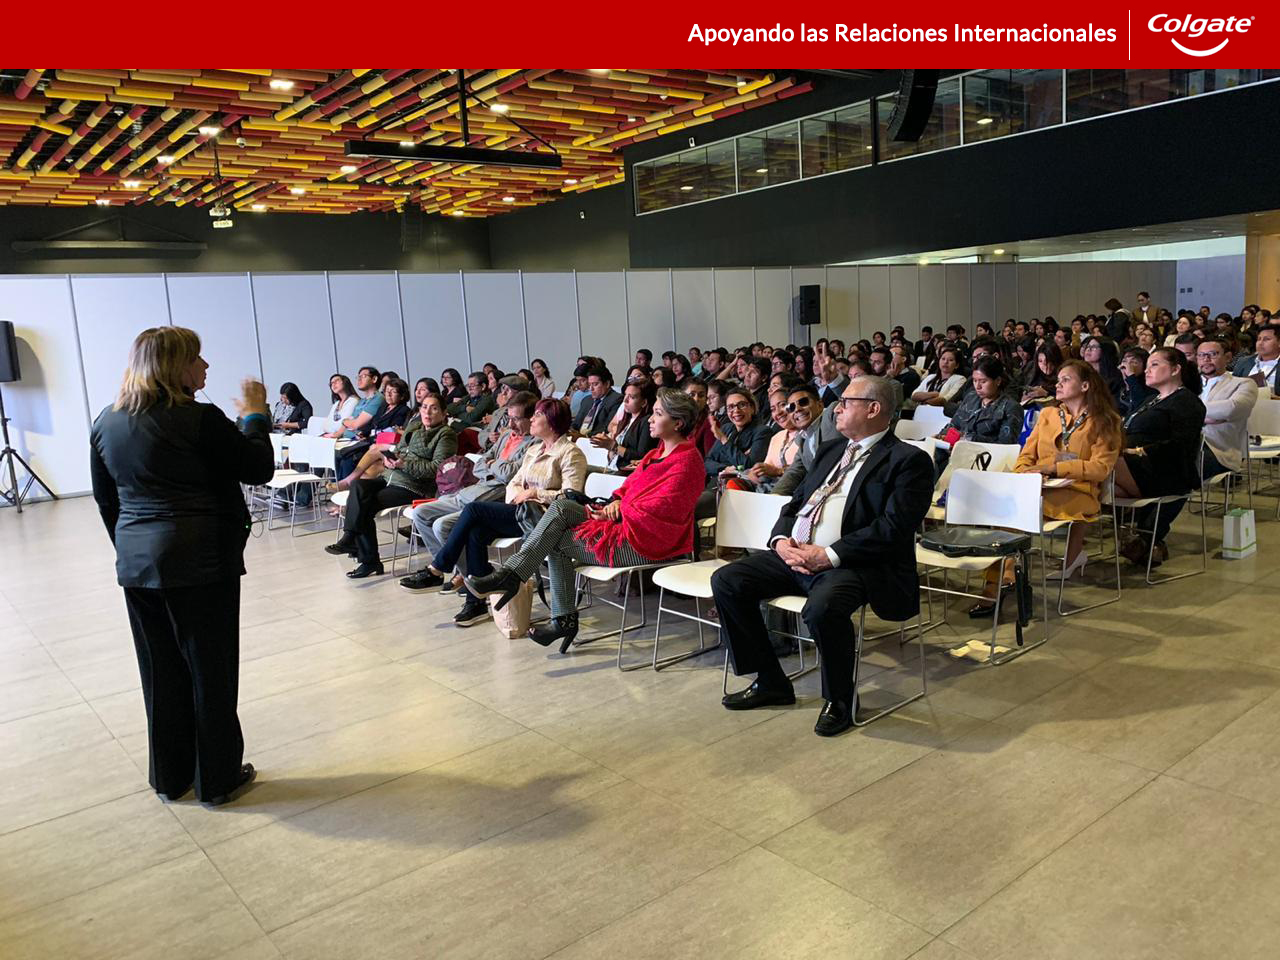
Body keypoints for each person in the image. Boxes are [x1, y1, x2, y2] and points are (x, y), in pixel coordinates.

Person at [89, 326, 272, 807]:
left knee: (160, 671)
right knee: (209, 671)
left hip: (137, 563)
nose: (206, 367)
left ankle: (171, 777)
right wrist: (255, 416)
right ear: (176, 366)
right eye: (198, 358)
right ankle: (217, 778)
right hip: (200, 562)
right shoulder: (199, 418)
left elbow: (107, 501)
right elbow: (257, 467)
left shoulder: (107, 421)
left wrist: (132, 547)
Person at [710, 375, 933, 736]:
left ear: (873, 409)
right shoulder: (831, 450)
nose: (837, 408)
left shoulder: (908, 460)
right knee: (728, 580)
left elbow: (893, 528)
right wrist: (780, 539)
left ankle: (840, 700)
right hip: (796, 554)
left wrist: (828, 555)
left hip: (854, 564)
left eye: (845, 401)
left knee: (823, 607)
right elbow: (795, 503)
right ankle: (771, 681)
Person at [464, 388, 707, 650]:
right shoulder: (654, 454)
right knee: (562, 507)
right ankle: (519, 581)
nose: (650, 418)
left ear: (678, 423)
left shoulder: (688, 462)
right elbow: (626, 490)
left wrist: (622, 509)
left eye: (658, 414)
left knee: (553, 539)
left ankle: (552, 609)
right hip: (623, 526)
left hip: (648, 542)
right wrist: (615, 502)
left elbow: (666, 508)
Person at [419, 398, 586, 626]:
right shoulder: (535, 450)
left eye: (538, 415)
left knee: (474, 509)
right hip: (521, 511)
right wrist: (520, 495)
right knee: (475, 532)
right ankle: (475, 602)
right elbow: (513, 483)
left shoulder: (570, 453)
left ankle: (439, 567)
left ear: (553, 422)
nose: (533, 419)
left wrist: (535, 493)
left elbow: (572, 495)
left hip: (546, 518)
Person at [971, 360, 1121, 611]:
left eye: (1066, 380)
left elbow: (1100, 468)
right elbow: (1026, 455)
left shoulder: (1106, 420)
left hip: (1079, 491)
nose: (1058, 384)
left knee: (1011, 509)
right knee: (1003, 505)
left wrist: (1053, 467)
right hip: (1039, 487)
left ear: (1085, 385)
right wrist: (1026, 474)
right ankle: (1003, 576)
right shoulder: (1050, 414)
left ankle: (998, 582)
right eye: (1058, 379)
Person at [400, 392, 540, 594]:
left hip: (495, 498)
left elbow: (511, 474)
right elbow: (479, 464)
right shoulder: (506, 437)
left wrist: (494, 466)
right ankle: (461, 572)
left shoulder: (534, 444)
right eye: (509, 418)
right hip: (472, 491)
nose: (511, 424)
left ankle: (458, 575)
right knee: (421, 513)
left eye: (517, 419)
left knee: (441, 526)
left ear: (532, 418)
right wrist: (495, 467)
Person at [326, 394, 457, 578]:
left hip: (414, 487)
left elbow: (437, 469)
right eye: (424, 407)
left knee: (365, 505)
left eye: (434, 408)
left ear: (443, 413)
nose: (427, 412)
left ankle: (366, 558)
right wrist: (390, 460)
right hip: (391, 476)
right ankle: (350, 538)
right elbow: (400, 450)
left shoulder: (446, 435)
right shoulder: (414, 427)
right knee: (359, 487)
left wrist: (404, 464)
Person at [1113, 348, 1208, 566]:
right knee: (1093, 481)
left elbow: (1179, 447)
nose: (1146, 370)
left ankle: (1145, 539)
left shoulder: (1187, 402)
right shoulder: (1153, 399)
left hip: (1163, 473)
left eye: (1154, 364)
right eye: (1147, 365)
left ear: (1176, 369)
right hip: (1134, 468)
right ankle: (1146, 541)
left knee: (1099, 463)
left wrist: (1136, 451)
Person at [333, 377, 412, 482]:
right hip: (370, 440)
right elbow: (373, 423)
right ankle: (340, 486)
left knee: (349, 458)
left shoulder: (403, 410)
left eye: (393, 391)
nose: (388, 394)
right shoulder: (384, 407)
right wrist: (363, 433)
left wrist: (370, 437)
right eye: (387, 391)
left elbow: (390, 430)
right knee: (342, 456)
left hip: (382, 444)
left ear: (402, 396)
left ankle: (347, 487)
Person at [942, 355, 1023, 445]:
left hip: (987, 456)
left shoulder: (1011, 407)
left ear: (998, 381)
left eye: (983, 381)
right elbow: (954, 425)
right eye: (975, 381)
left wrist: (969, 438)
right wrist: (941, 435)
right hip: (958, 451)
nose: (977, 386)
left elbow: (1005, 444)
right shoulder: (971, 397)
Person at [704, 386, 773, 481]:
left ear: (752, 408)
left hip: (742, 484)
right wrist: (725, 468)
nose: (736, 410)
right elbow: (707, 461)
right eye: (731, 407)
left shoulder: (762, 432)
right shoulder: (726, 428)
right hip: (718, 480)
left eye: (742, 405)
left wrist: (724, 440)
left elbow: (750, 466)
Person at [592, 379, 658, 471]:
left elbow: (641, 457)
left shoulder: (647, 422)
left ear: (644, 402)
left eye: (631, 397)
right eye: (625, 395)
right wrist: (609, 445)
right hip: (612, 468)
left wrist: (613, 446)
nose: (625, 400)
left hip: (626, 474)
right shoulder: (626, 419)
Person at [326, 366, 384, 439]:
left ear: (374, 379)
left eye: (363, 376)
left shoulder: (377, 398)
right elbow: (350, 420)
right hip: (345, 438)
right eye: (358, 377)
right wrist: (335, 435)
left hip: (357, 441)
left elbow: (356, 424)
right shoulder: (362, 401)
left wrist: (345, 422)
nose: (359, 379)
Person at [910, 345, 965, 409]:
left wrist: (924, 401)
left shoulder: (960, 379)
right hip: (922, 412)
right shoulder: (930, 377)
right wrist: (934, 394)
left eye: (950, 360)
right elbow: (914, 396)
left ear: (957, 365)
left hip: (941, 414)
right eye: (943, 359)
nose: (945, 362)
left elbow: (945, 399)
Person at [1232, 323, 1280, 394]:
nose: (1260, 343)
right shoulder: (1244, 362)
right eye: (1259, 339)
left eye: (1266, 339)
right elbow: (1232, 387)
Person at [573, 365, 623, 434]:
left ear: (607, 384)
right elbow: (576, 424)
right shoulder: (586, 400)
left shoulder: (616, 400)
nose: (591, 389)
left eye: (595, 384)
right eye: (590, 384)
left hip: (596, 440)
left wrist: (583, 437)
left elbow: (607, 428)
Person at [1080, 337, 1125, 407]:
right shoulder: (1080, 372)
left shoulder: (1116, 376)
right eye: (1088, 346)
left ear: (1105, 350)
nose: (1089, 349)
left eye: (1094, 347)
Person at [1020, 341, 1062, 406]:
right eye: (1040, 361)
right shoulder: (1031, 370)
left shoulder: (1064, 374)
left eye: (1049, 360)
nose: (1045, 365)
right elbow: (1015, 387)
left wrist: (1047, 393)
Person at [1118, 347, 1155, 415]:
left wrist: (1131, 377)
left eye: (1134, 362)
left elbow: (1140, 407)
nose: (1127, 365)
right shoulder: (1116, 386)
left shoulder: (1150, 389)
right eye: (1124, 361)